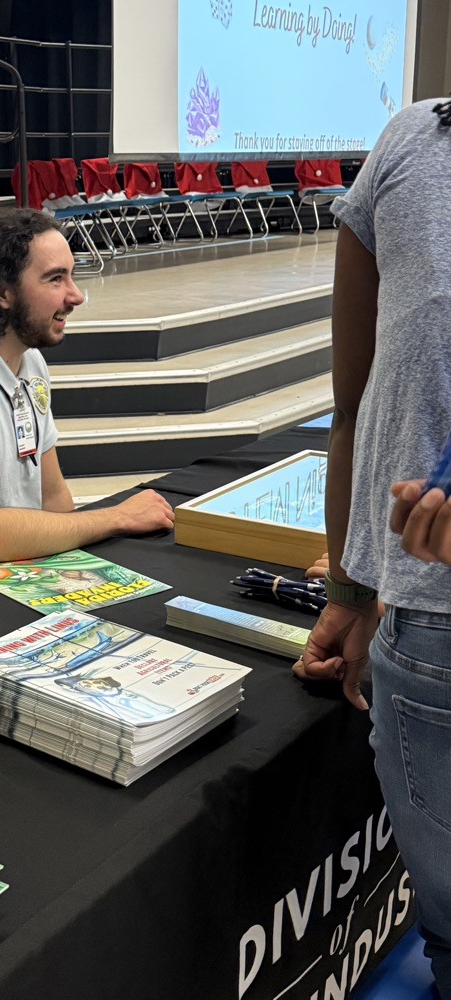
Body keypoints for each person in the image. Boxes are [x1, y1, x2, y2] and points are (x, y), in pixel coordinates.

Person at [298, 99, 451, 997]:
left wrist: (356, 591)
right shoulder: (410, 141)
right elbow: (361, 408)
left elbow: (356, 407)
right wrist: (354, 591)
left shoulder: (412, 142)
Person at [0, 208, 174, 576]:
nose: (75, 296)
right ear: (3, 293)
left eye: (71, 276)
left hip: (18, 571)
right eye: (55, 279)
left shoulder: (30, 363)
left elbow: (52, 498)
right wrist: (116, 518)